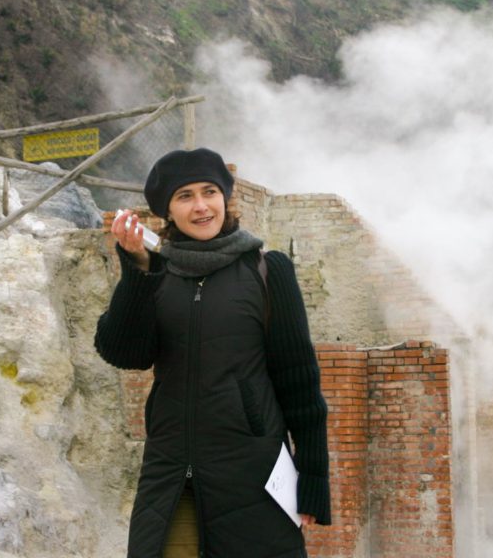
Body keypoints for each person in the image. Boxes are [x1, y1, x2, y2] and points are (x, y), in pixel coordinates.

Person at [95, 148, 331, 558]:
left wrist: (311, 480)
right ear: (168, 210)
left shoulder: (267, 270)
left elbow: (300, 382)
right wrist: (136, 267)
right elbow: (123, 352)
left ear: (226, 197)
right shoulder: (155, 272)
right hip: (170, 475)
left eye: (210, 192)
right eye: (185, 196)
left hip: (253, 475)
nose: (201, 206)